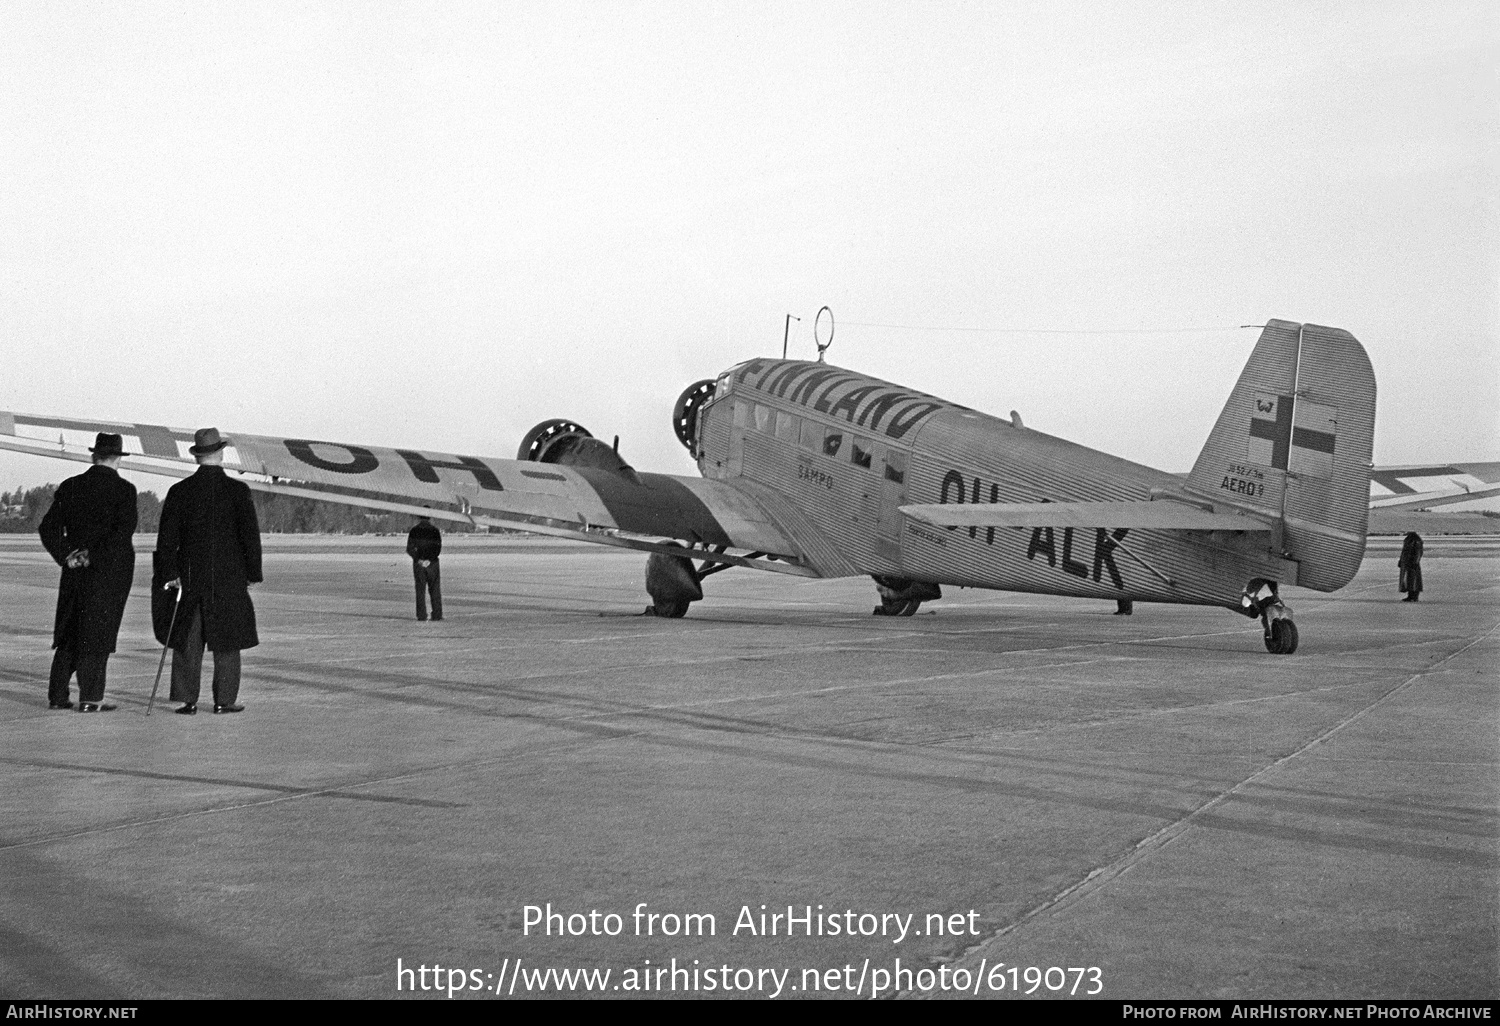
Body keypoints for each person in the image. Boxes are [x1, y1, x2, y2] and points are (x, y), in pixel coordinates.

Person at [156, 428, 262, 714]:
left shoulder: (179, 491)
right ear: (221, 453)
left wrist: (169, 572)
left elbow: (166, 540)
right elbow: (250, 536)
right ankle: (224, 701)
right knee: (228, 641)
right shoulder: (238, 491)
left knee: (188, 638)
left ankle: (187, 699)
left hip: (190, 576)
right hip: (229, 577)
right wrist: (252, 573)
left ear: (197, 457)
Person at [38, 433, 137, 711]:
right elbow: (121, 535)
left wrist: (68, 554)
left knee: (70, 630)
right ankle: (91, 699)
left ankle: (57, 697)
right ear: (117, 458)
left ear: (94, 455)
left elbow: (48, 527)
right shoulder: (125, 491)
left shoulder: (70, 486)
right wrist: (91, 556)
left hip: (74, 572)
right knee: (98, 635)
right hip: (108, 574)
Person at [407, 511, 443, 621]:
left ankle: (421, 615)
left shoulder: (414, 530)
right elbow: (438, 548)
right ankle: (437, 614)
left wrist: (419, 560)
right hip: (433, 564)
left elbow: (410, 548)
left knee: (420, 590)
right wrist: (430, 560)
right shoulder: (435, 531)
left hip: (419, 564)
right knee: (435, 589)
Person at [1398, 531, 1424, 602]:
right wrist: (1401, 561)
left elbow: (1418, 552)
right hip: (1406, 562)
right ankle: (1410, 595)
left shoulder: (1416, 540)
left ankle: (1414, 596)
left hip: (1412, 563)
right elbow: (1404, 551)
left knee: (1414, 580)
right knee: (1408, 580)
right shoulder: (1409, 539)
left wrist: (1415, 562)